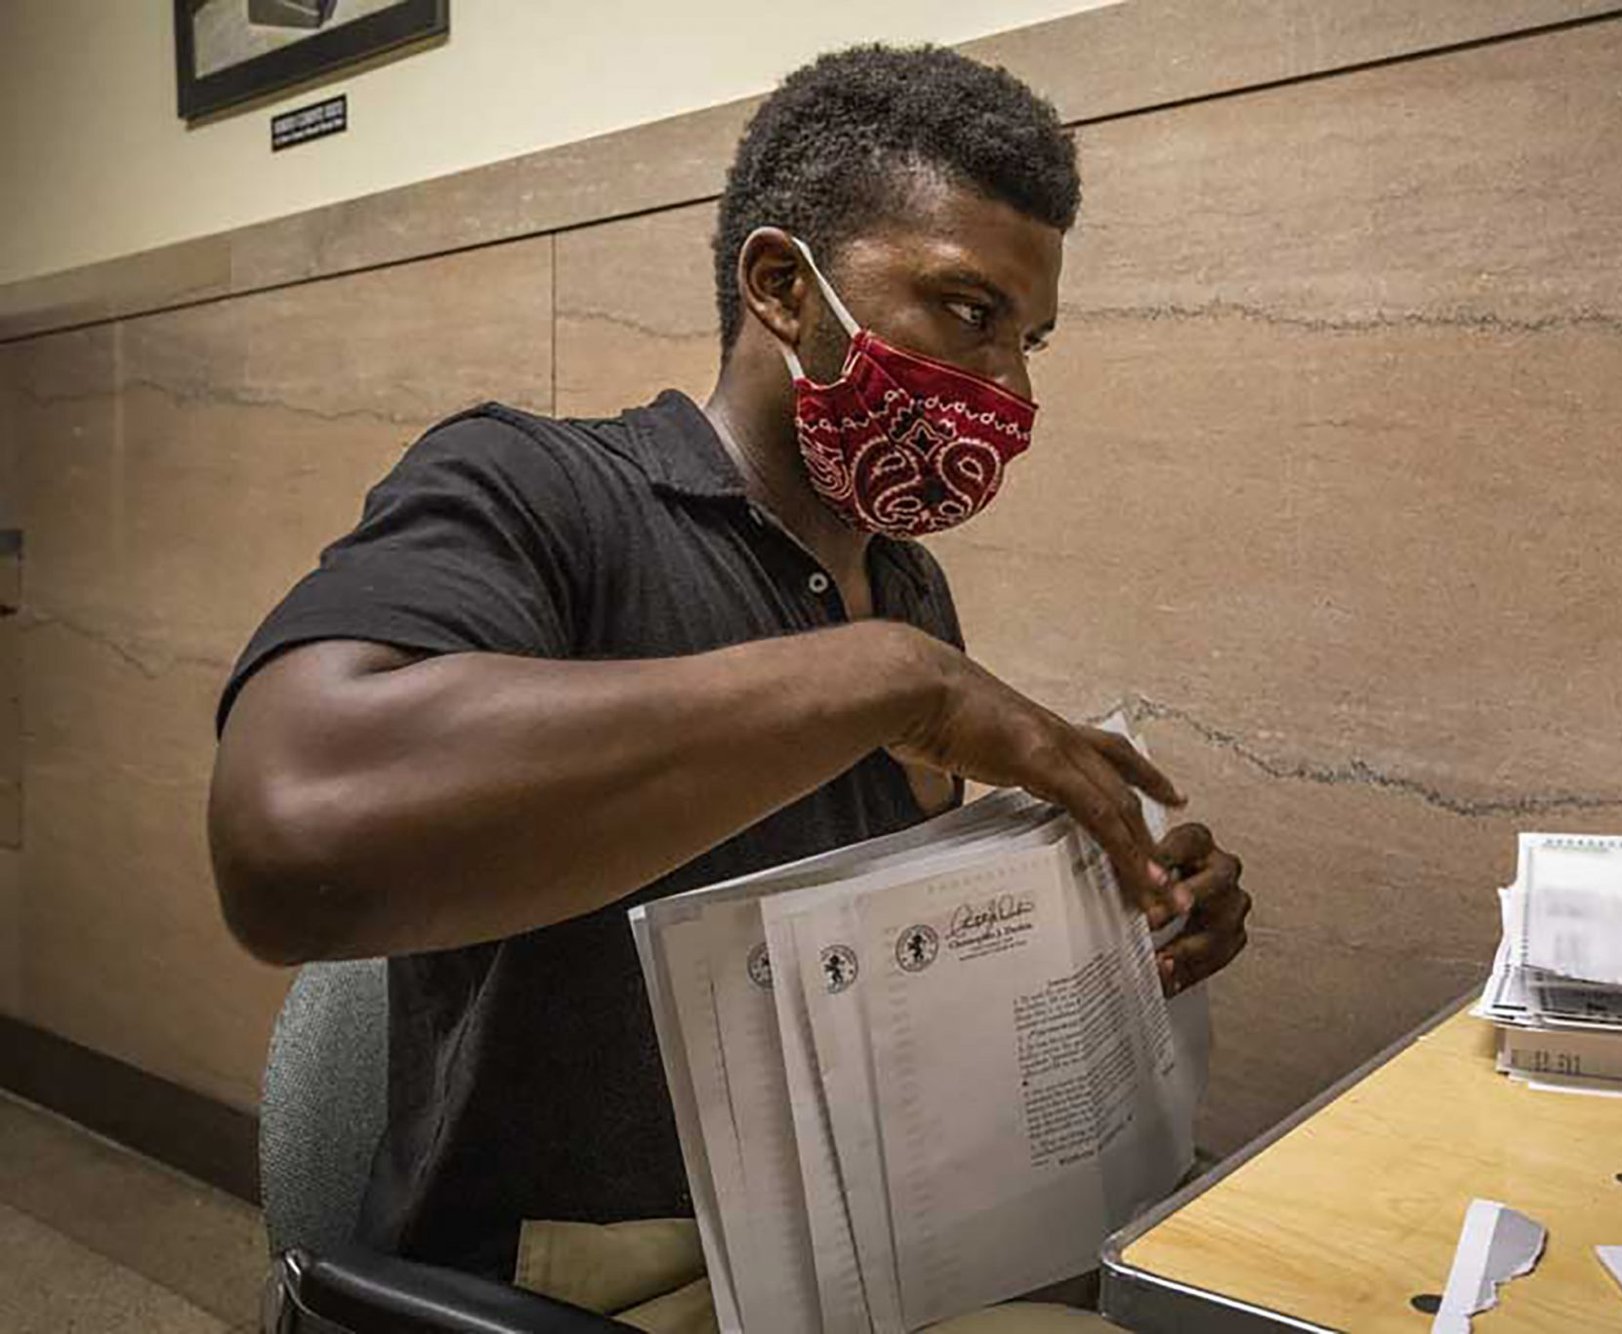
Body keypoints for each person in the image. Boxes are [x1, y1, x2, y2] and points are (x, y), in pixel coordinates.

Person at [209, 43, 1251, 1329]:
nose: (1013, 390)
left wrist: (1105, 940)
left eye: (1029, 340)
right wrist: (886, 681)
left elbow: (868, 981)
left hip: (854, 1247)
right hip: (583, 1285)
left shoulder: (906, 586)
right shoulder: (541, 493)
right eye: (967, 312)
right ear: (779, 286)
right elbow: (285, 830)